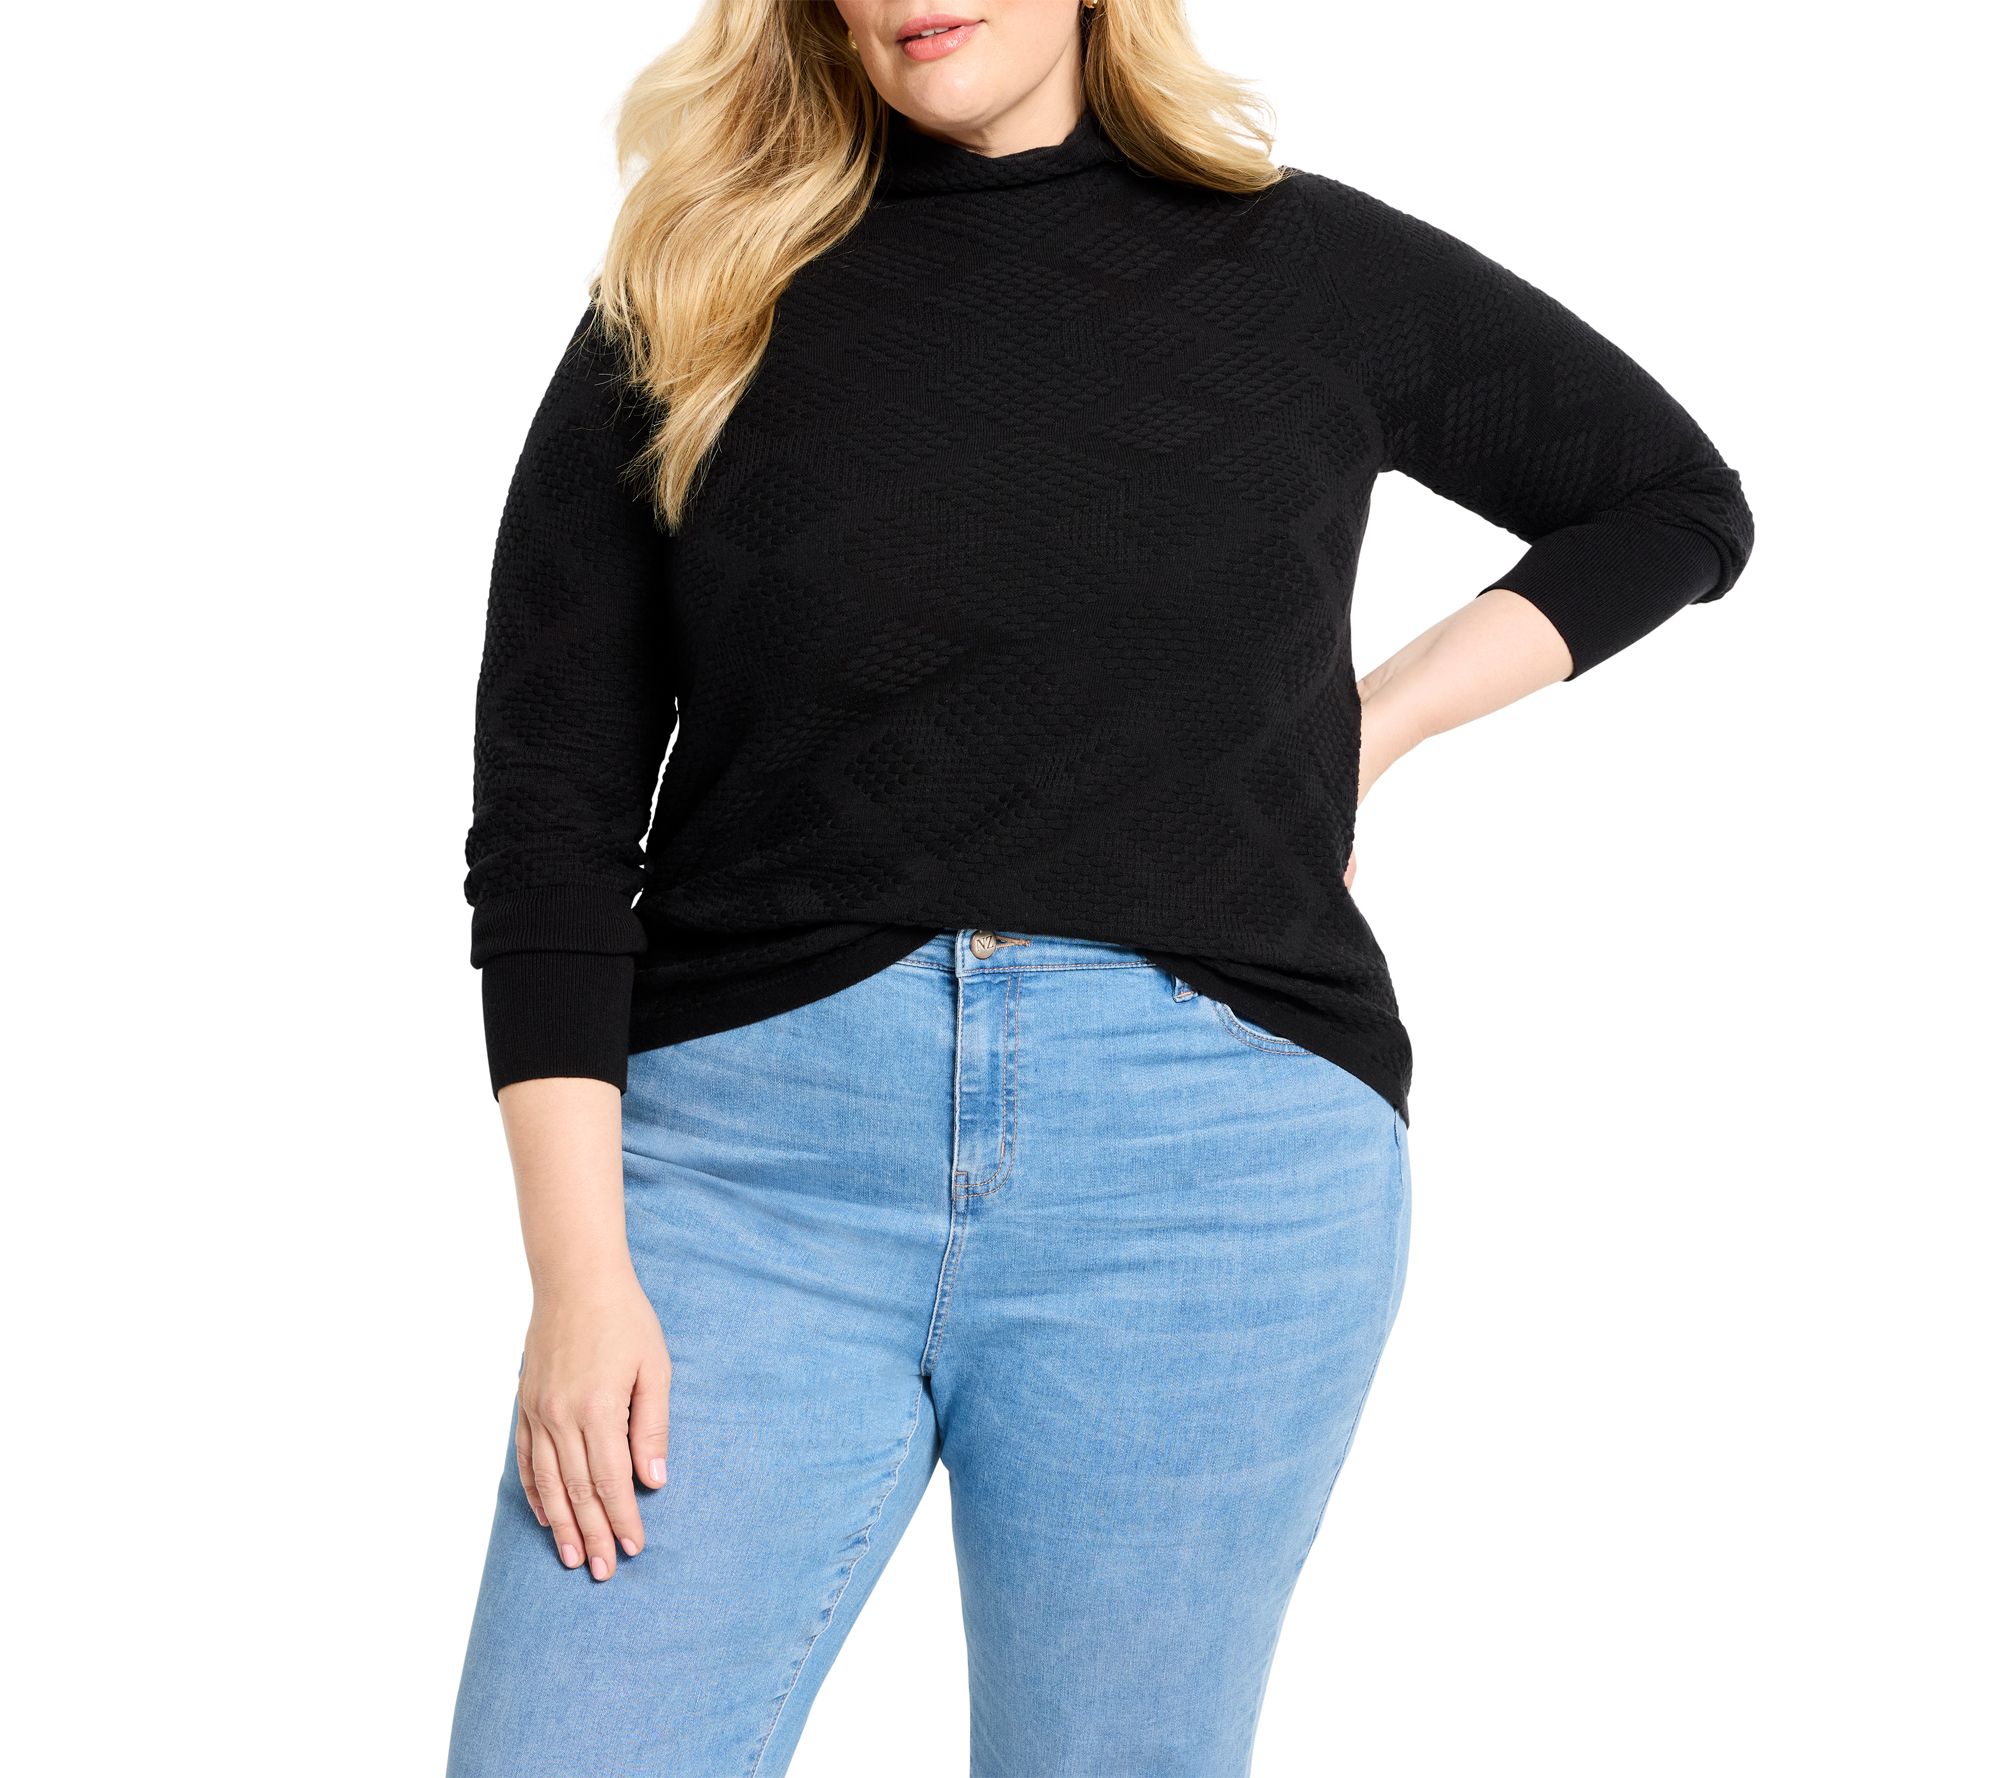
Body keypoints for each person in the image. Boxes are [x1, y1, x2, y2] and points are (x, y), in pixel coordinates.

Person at [446, 1, 1754, 1772]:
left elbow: (1671, 498)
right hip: (748, 1187)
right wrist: (577, 1271)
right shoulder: (693, 292)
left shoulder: (1304, 268)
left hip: (1207, 1187)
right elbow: (549, 808)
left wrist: (1370, 725)